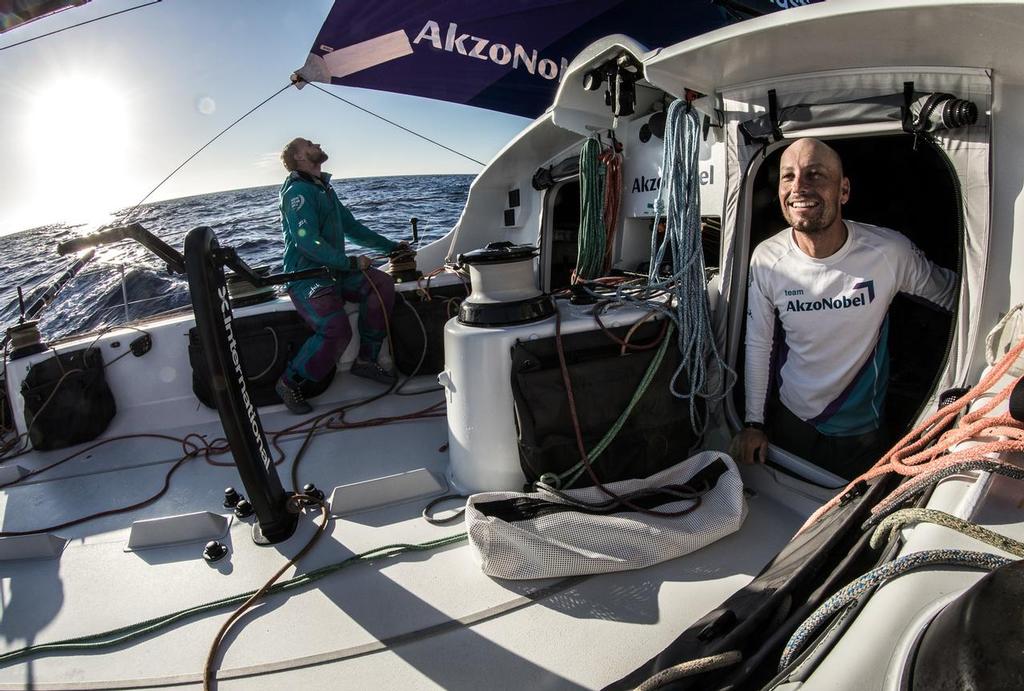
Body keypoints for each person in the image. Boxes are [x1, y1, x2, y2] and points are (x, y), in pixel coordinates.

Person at [733, 138, 957, 478]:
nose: (799, 188)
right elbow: (759, 343)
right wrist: (753, 422)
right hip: (792, 419)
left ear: (844, 190)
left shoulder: (888, 252)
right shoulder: (767, 258)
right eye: (788, 176)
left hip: (862, 429)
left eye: (815, 175)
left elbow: (956, 296)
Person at [275, 137, 407, 414]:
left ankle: (366, 361)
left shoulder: (324, 190)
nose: (317, 144)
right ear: (299, 157)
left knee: (380, 283)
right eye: (309, 144)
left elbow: (353, 229)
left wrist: (392, 248)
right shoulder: (297, 193)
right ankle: (289, 381)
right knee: (337, 329)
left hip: (334, 271)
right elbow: (306, 241)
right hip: (306, 277)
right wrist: (348, 261)